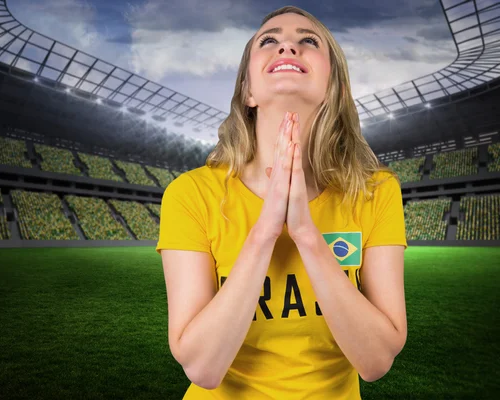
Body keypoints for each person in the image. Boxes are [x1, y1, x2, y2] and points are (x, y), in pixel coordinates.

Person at [155, 5, 408, 399]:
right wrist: (265, 232)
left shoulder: (375, 190)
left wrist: (306, 234)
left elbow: (376, 363)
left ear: (334, 89)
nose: (288, 46)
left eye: (308, 41)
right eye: (268, 40)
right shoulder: (191, 194)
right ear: (248, 91)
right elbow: (203, 368)